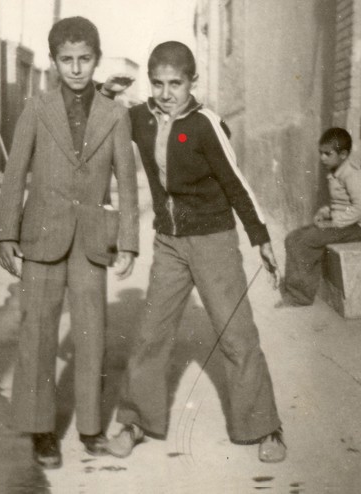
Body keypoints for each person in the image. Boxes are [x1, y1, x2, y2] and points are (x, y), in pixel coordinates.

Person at [101, 41, 286, 463]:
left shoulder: (205, 124)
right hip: (169, 243)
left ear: (192, 82)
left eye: (176, 84)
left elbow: (235, 182)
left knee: (236, 335)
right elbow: (101, 119)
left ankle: (265, 427)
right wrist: (105, 91)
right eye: (158, 84)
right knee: (150, 334)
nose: (166, 93)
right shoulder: (141, 117)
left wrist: (260, 236)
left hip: (213, 241)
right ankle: (135, 421)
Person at [0, 16, 139, 470]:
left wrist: (129, 241)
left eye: (85, 59)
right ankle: (41, 430)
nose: (76, 68)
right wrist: (6, 232)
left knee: (92, 333)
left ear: (97, 60)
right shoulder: (37, 108)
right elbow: (15, 172)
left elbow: (127, 182)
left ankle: (91, 427)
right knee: (37, 331)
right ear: (54, 62)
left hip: (91, 241)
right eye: (67, 60)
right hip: (41, 235)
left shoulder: (115, 114)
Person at [280, 127, 361, 307]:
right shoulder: (335, 172)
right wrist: (326, 211)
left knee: (306, 242)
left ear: (343, 154)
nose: (322, 158)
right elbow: (342, 203)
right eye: (320, 153)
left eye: (327, 154)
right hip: (341, 225)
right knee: (292, 238)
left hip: (353, 228)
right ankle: (297, 286)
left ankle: (300, 297)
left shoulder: (352, 175)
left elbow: (360, 208)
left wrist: (334, 222)